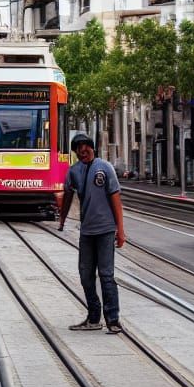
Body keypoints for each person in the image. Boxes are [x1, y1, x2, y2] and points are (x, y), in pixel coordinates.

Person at [59, 133, 126, 334]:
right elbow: (68, 195)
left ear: (92, 148)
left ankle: (113, 319)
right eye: (78, 149)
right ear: (75, 152)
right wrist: (62, 219)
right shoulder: (74, 171)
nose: (83, 151)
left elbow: (115, 198)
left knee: (106, 275)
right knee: (85, 275)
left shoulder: (105, 168)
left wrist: (120, 230)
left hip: (106, 230)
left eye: (85, 147)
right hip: (87, 232)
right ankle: (94, 317)